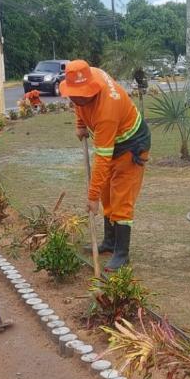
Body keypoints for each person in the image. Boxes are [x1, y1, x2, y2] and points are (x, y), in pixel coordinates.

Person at [60, 60, 150, 272]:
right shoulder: (86, 75)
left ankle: (122, 253)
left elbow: (102, 158)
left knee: (121, 199)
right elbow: (79, 102)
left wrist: (92, 197)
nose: (75, 99)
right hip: (113, 142)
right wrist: (80, 124)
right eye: (73, 94)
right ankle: (109, 242)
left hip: (131, 146)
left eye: (80, 95)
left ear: (91, 90)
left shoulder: (107, 109)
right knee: (107, 195)